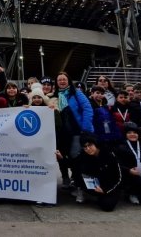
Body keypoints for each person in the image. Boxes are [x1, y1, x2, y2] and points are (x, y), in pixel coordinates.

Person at [54, 72, 94, 202]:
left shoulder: (76, 93)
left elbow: (87, 108)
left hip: (77, 131)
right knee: (63, 157)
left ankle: (80, 188)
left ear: (69, 81)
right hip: (62, 133)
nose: (62, 81)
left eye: (64, 79)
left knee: (76, 158)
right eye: (59, 80)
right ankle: (70, 181)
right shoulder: (55, 95)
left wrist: (85, 127)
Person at [77, 134, 122, 212]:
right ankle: (91, 194)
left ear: (96, 144)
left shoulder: (109, 154)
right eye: (85, 147)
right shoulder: (84, 155)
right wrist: (61, 158)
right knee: (78, 171)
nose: (88, 149)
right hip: (97, 183)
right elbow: (73, 163)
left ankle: (104, 196)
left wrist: (105, 190)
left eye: (90, 145)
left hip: (111, 185)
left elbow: (119, 177)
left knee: (107, 206)